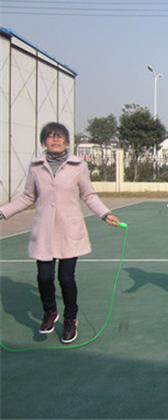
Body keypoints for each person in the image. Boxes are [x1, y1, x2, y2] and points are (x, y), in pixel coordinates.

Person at [0, 122, 122, 344]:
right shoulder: (36, 166)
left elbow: (89, 195)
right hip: (44, 231)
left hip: (69, 230)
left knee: (66, 278)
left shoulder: (78, 166)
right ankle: (50, 311)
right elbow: (28, 197)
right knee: (44, 277)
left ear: (67, 141)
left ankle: (70, 319)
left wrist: (105, 214)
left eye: (60, 136)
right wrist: (2, 212)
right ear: (44, 141)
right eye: (50, 136)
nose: (55, 140)